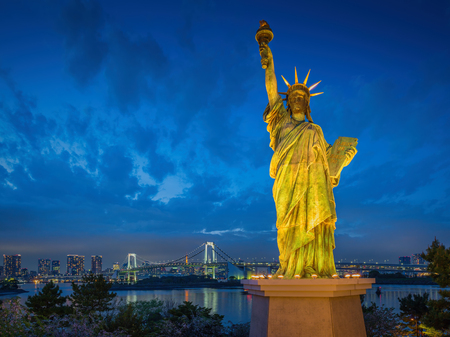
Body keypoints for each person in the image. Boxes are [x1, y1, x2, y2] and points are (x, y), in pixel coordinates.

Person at [259, 42, 356, 279]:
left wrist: (345, 157)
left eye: (303, 96)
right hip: (287, 180)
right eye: (294, 96)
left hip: (314, 185)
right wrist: (268, 59)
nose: (298, 99)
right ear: (288, 101)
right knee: (287, 224)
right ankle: (289, 265)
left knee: (314, 221)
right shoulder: (280, 122)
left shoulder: (315, 129)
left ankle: (313, 265)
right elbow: (272, 91)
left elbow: (330, 159)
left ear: (307, 102)